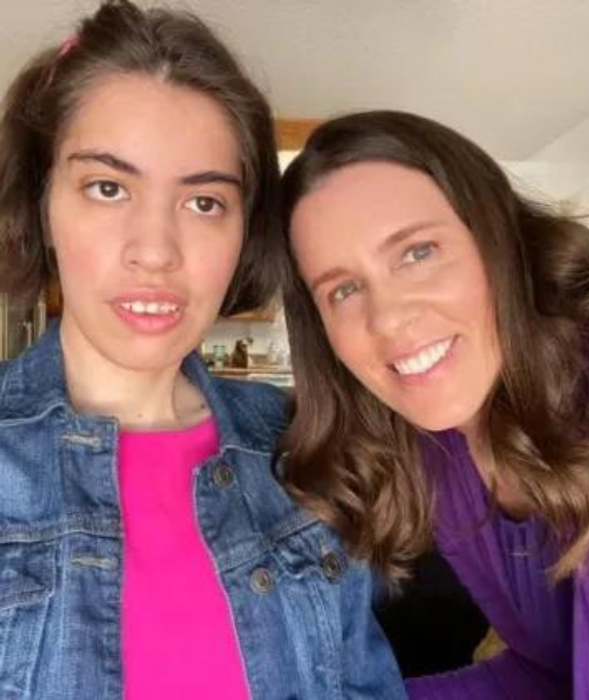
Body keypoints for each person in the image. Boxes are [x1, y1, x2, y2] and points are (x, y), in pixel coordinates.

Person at [0, 3, 404, 697]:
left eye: (204, 202)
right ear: (41, 203)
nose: (155, 251)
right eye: (107, 187)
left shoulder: (299, 451)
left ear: (246, 232)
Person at [277, 110, 589, 700]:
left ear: (497, 241)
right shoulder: (439, 454)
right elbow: (547, 672)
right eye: (344, 289)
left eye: (417, 252)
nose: (388, 319)